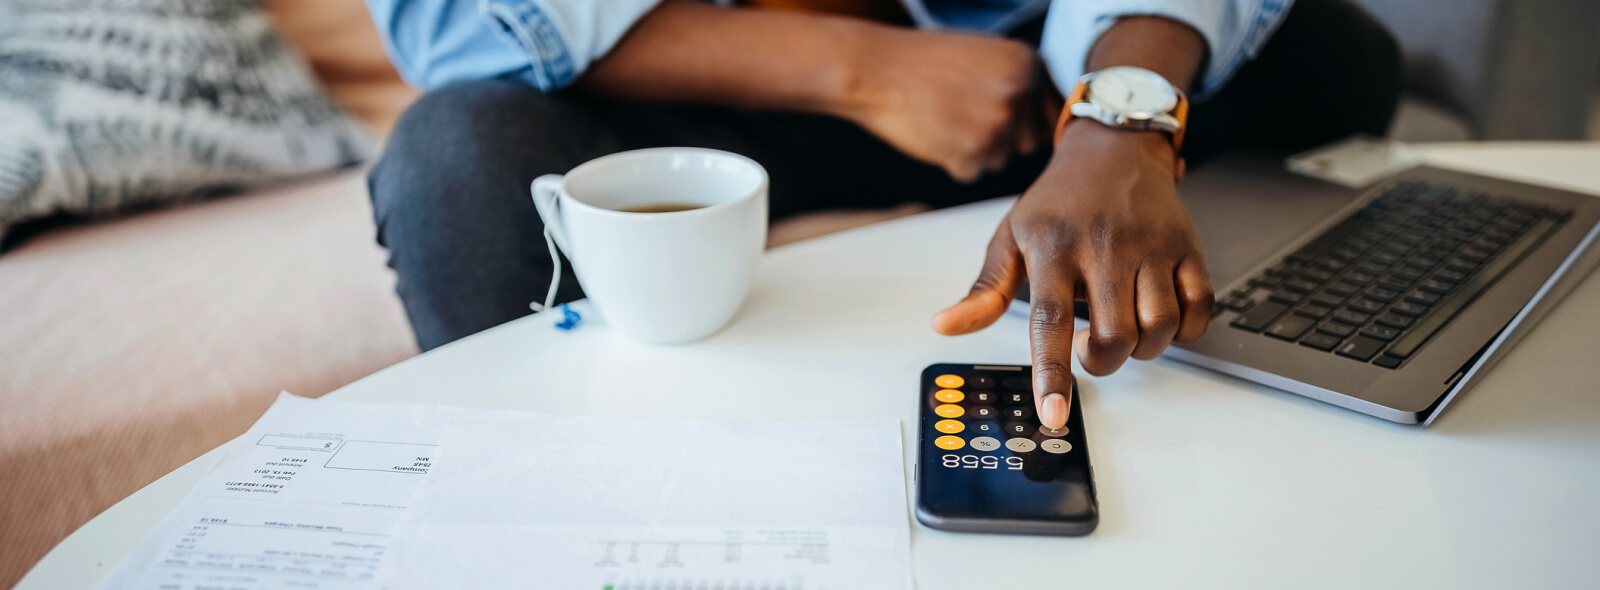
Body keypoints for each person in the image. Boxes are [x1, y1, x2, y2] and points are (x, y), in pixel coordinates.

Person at [363, 0, 1399, 429]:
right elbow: (451, 18)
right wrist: (866, 71)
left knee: (1336, 52)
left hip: (1035, 67)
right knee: (456, 160)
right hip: (710, 74)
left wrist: (1120, 116)